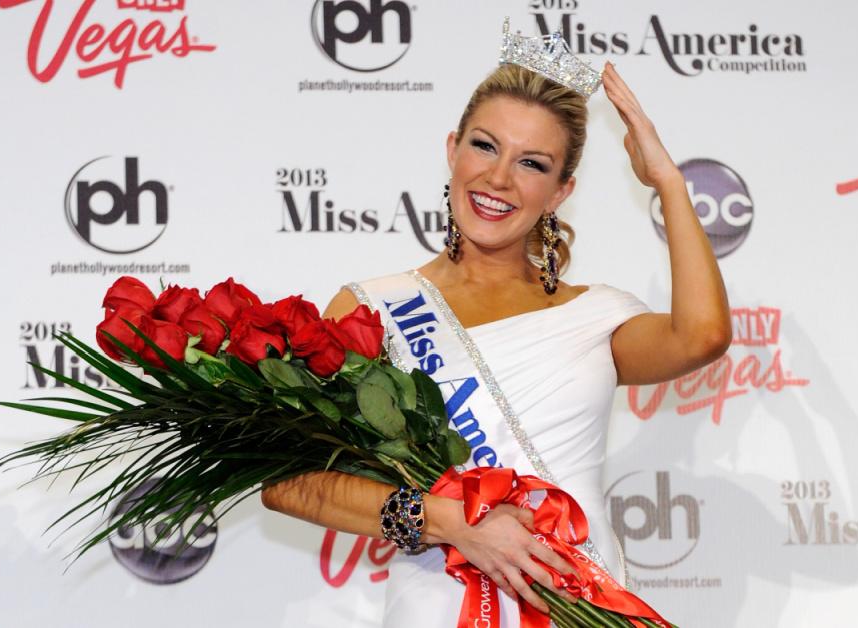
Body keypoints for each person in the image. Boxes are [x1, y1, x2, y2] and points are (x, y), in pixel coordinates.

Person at [261, 30, 731, 626]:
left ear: (561, 191)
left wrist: (667, 179)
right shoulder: (370, 308)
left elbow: (703, 335)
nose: (500, 178)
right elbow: (288, 481)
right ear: (453, 149)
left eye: (532, 163)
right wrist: (452, 523)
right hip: (436, 602)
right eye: (485, 147)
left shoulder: (596, 314)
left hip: (578, 603)